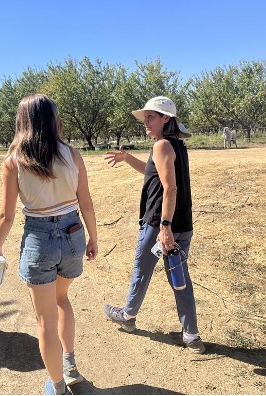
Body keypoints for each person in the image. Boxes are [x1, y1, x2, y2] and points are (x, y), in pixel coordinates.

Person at [0, 94, 98, 394]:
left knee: (45, 320)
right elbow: (86, 203)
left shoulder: (14, 162)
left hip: (39, 240)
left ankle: (58, 387)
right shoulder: (72, 154)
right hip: (74, 233)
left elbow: (6, 215)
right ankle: (71, 365)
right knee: (62, 300)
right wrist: (93, 238)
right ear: (53, 120)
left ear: (22, 121)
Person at [102, 96, 205, 354]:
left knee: (141, 270)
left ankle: (127, 316)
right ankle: (191, 335)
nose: (145, 122)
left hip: (160, 224)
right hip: (184, 224)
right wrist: (127, 159)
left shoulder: (161, 146)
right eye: (145, 117)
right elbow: (153, 172)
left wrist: (164, 227)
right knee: (180, 279)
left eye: (151, 117)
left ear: (165, 119)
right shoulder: (176, 145)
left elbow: (170, 188)